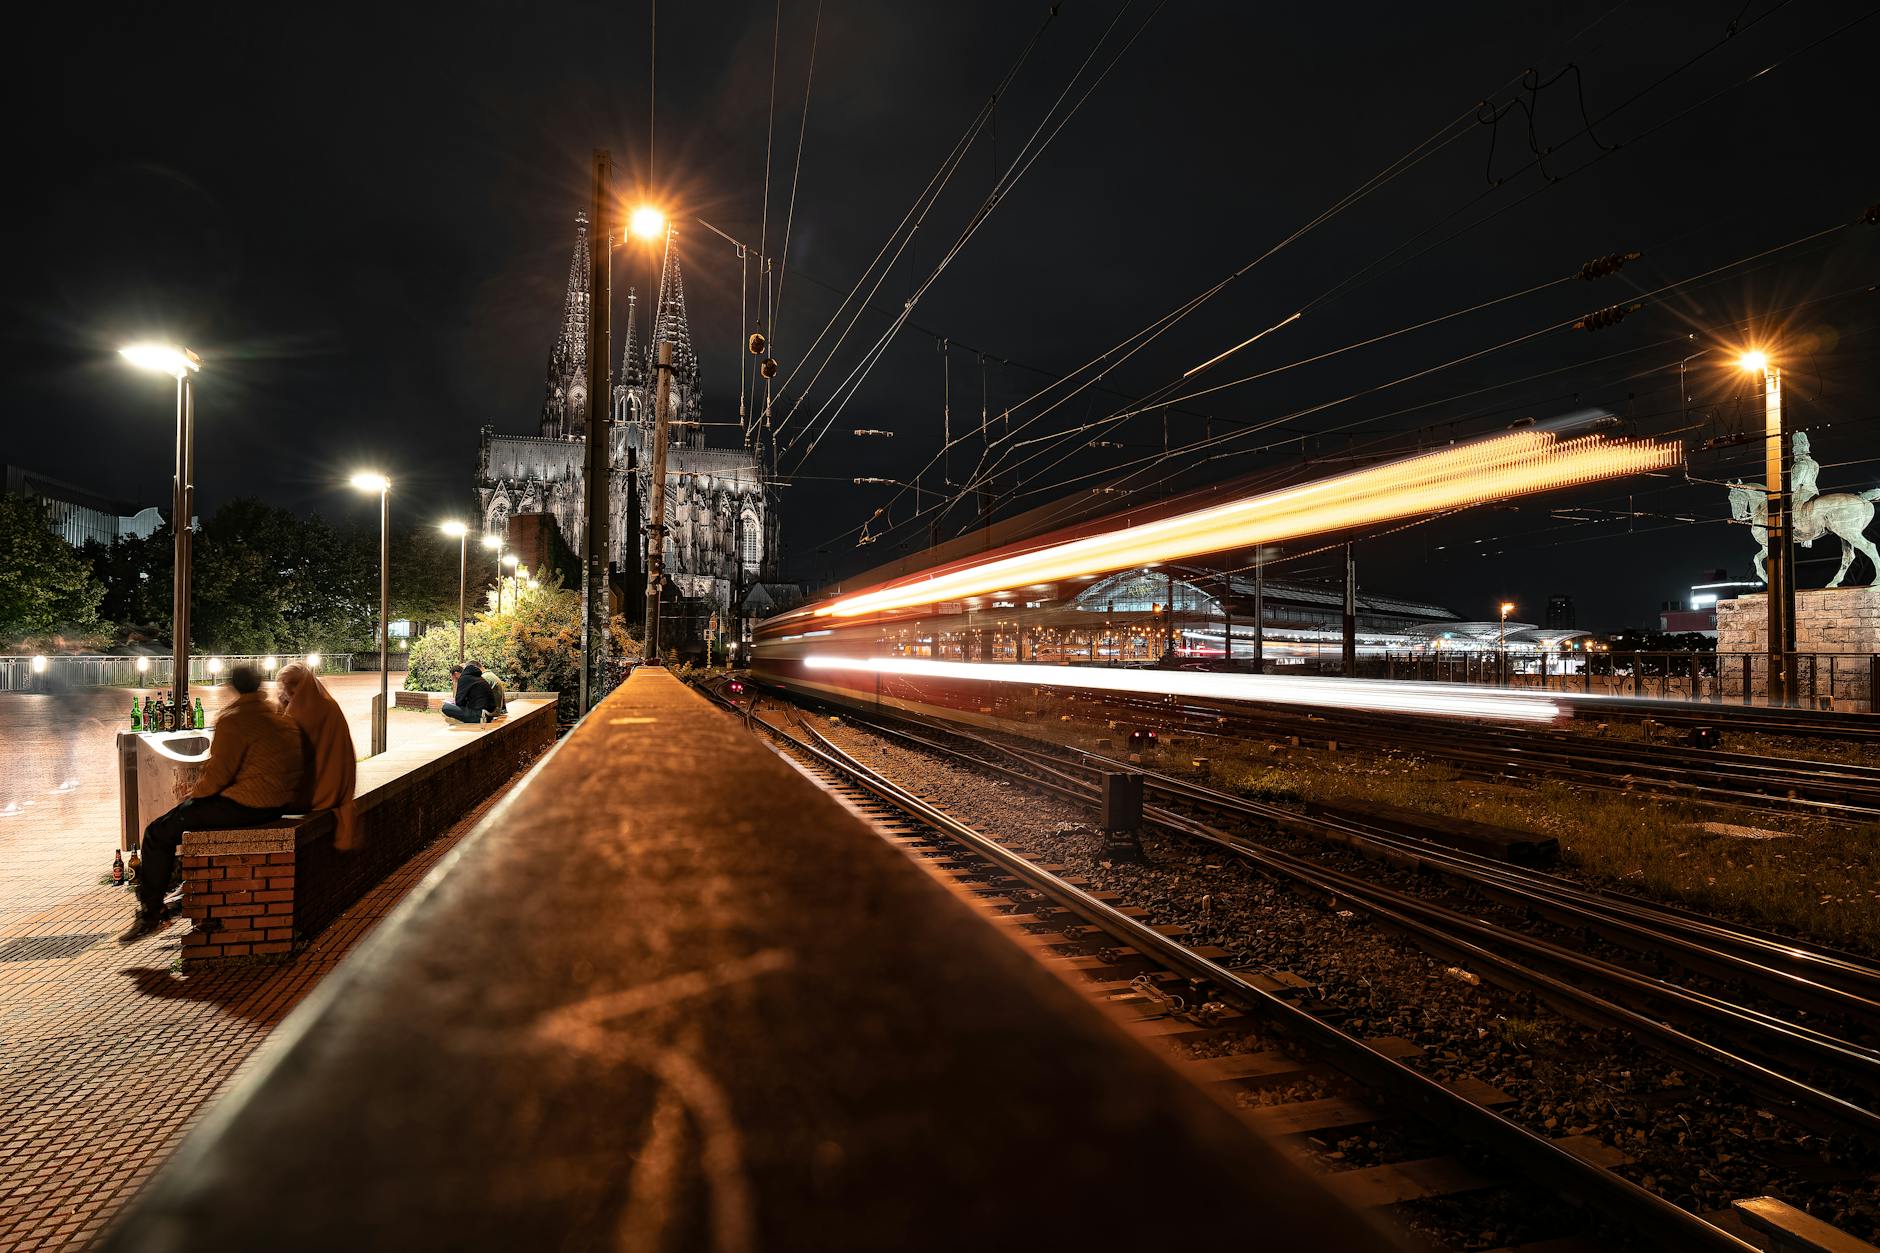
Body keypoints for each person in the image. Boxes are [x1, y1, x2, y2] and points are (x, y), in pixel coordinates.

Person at [120, 664, 303, 943]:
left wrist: (194, 795)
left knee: (158, 832)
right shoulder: (279, 718)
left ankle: (151, 910)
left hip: (247, 805)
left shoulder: (235, 719)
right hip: (278, 803)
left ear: (234, 687)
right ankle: (169, 892)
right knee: (180, 820)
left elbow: (219, 774)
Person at [276, 661, 359, 851]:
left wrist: (280, 707)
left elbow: (281, 749)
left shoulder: (299, 712)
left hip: (314, 794)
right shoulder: (329, 705)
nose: (285, 690)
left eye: (289, 685)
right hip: (338, 789)